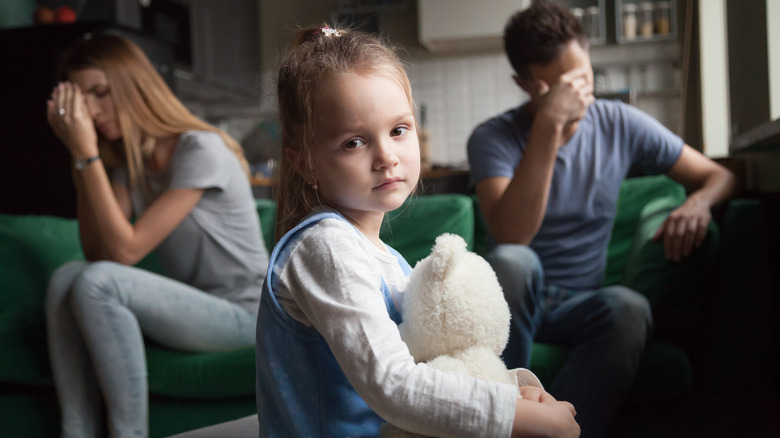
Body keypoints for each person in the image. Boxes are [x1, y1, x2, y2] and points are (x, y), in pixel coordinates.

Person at [255, 25, 580, 438]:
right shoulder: (325, 248)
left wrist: (515, 392)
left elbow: (429, 364)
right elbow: (392, 384)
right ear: (304, 164)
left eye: (398, 130)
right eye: (354, 142)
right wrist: (514, 416)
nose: (387, 157)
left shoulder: (387, 260)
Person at [467, 1, 738, 437]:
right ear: (526, 84)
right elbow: (512, 234)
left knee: (629, 307)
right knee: (516, 261)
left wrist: (699, 202)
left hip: (580, 303)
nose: (579, 95)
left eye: (584, 78)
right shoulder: (492, 137)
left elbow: (719, 175)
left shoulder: (620, 124)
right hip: (515, 302)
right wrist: (548, 128)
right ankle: (508, 419)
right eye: (562, 86)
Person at [44, 34, 269, 438]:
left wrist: (86, 154)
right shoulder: (126, 168)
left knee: (98, 283)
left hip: (248, 314)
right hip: (196, 311)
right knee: (67, 277)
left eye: (101, 93)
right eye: (83, 100)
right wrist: (83, 159)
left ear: (133, 86)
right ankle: (76, 431)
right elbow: (100, 252)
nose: (93, 111)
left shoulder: (200, 149)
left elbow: (125, 253)